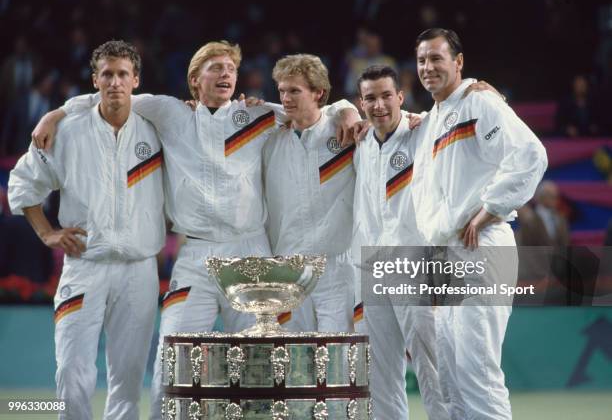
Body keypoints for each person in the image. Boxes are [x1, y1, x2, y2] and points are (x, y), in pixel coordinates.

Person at [31, 40, 359, 420]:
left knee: (260, 365)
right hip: (195, 256)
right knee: (173, 358)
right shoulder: (169, 112)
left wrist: (347, 110)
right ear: (194, 79)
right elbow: (112, 97)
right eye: (215, 68)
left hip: (250, 252)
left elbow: (312, 110)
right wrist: (54, 114)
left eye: (231, 69)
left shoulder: (256, 116)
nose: (225, 75)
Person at [8, 40, 165, 420]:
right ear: (95, 80)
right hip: (84, 267)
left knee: (127, 380)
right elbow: (23, 183)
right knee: (72, 371)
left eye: (123, 74)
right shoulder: (68, 131)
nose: (115, 82)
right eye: (107, 74)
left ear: (136, 80)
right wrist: (47, 233)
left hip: (139, 269)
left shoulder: (158, 130)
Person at [411, 28, 547, 419]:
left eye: (437, 58)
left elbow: (531, 155)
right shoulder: (436, 117)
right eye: (422, 60)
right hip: (449, 255)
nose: (428, 67)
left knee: (476, 372)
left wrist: (490, 208)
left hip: (481, 244)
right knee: (450, 377)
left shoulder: (479, 101)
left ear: (458, 62)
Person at [351, 65, 449, 420]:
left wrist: (478, 89)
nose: (379, 105)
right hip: (371, 266)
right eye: (370, 98)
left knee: (432, 365)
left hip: (414, 265)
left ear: (400, 97)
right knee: (379, 373)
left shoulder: (422, 130)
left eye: (385, 96)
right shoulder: (360, 141)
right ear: (360, 103)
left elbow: (459, 111)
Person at [263, 54, 357, 332]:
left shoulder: (346, 131)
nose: (286, 98)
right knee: (296, 364)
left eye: (294, 90)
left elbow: (395, 119)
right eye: (281, 91)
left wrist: (345, 109)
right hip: (289, 267)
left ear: (319, 92)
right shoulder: (270, 143)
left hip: (337, 266)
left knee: (338, 363)